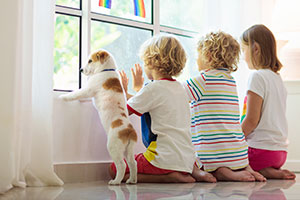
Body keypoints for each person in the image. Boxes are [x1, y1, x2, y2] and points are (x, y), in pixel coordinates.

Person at [110, 34, 216, 183]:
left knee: (115, 169)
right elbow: (149, 101)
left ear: (151, 62)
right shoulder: (180, 88)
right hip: (186, 159)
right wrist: (132, 92)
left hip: (163, 157)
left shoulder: (153, 88)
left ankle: (168, 177)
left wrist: (115, 93)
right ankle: (179, 173)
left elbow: (125, 110)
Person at [182, 31, 265, 182]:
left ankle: (223, 172)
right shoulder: (230, 81)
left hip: (213, 152)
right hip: (237, 152)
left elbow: (175, 95)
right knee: (230, 151)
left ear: (208, 55)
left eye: (197, 57)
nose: (196, 61)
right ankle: (245, 168)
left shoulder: (202, 80)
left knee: (191, 157)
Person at [240, 24, 296, 180]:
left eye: (244, 50)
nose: (243, 56)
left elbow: (251, 120)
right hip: (280, 154)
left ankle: (262, 170)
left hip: (259, 152)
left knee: (226, 160)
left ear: (255, 49)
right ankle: (270, 169)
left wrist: (236, 140)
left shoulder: (257, 77)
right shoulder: (277, 79)